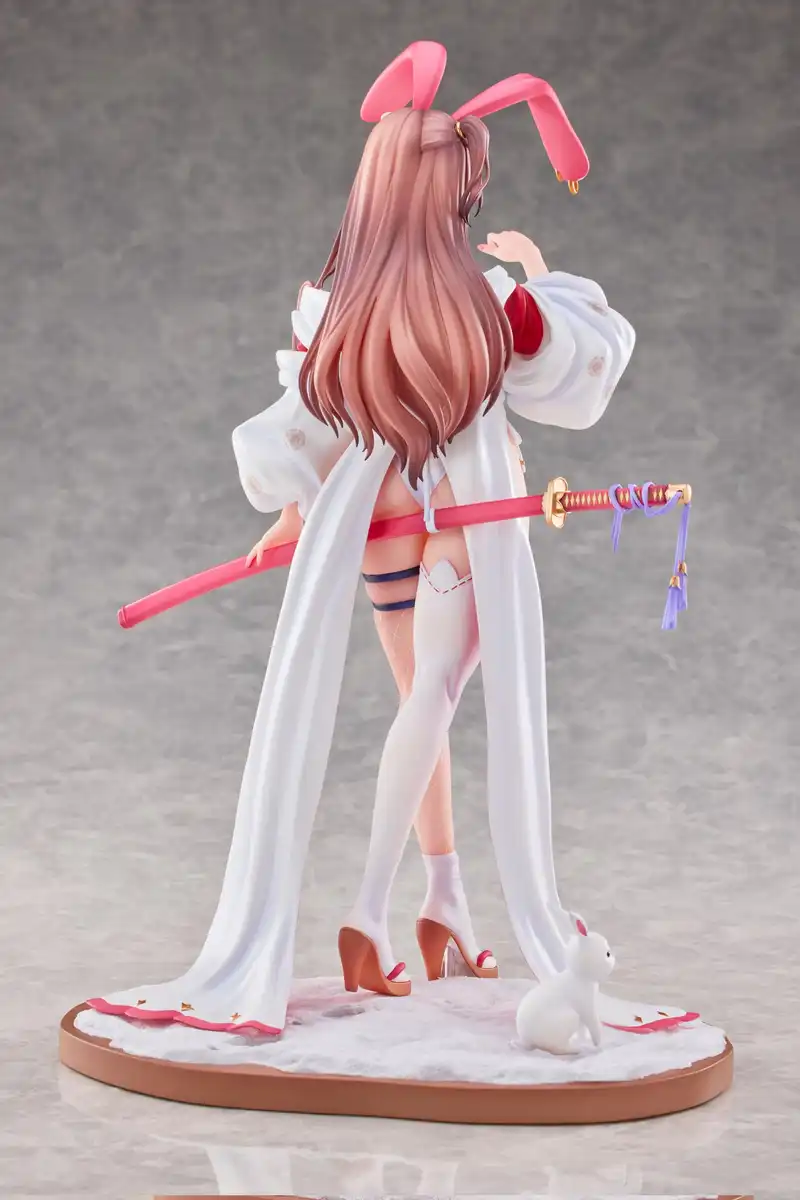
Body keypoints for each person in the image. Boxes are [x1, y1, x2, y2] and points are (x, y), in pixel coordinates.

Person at [87, 43, 695, 1040]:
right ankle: (371, 905)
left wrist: (295, 512)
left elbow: (309, 426)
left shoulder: (341, 311)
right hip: (458, 522)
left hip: (372, 527)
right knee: (434, 698)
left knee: (425, 706)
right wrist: (538, 269)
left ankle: (441, 901)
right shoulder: (491, 305)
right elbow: (581, 364)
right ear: (455, 196)